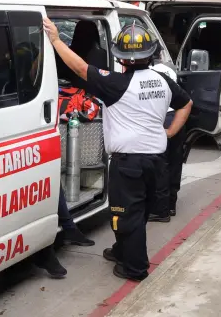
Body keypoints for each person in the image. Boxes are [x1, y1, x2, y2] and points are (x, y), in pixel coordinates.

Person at [44, 18, 193, 282]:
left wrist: (56, 40)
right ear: (151, 54)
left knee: (126, 214)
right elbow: (186, 104)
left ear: (121, 59)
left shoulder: (117, 84)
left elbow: (80, 68)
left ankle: (134, 268)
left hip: (129, 165)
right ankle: (121, 250)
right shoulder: (162, 81)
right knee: (138, 211)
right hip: (156, 161)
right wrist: (169, 133)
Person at [150, 59, 185, 221]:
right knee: (175, 162)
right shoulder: (170, 69)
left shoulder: (151, 71)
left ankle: (160, 209)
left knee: (160, 165)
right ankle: (171, 205)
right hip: (177, 117)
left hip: (160, 117)